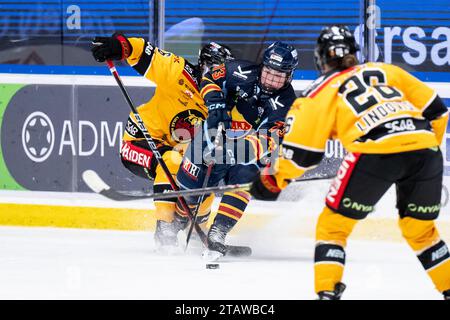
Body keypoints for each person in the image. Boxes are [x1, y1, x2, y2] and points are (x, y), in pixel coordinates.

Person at [250, 25, 450, 300]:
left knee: (332, 227)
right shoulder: (386, 71)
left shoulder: (319, 92)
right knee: (421, 231)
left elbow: (303, 154)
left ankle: (327, 293)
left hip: (374, 152)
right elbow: (438, 112)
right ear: (354, 53)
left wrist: (273, 181)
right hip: (426, 151)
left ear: (320, 58)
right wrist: (419, 151)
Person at [91, 34, 234, 252]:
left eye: (219, 71)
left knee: (203, 170)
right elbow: (147, 53)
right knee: (172, 160)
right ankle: (165, 228)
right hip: (139, 142)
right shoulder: (178, 71)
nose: (213, 76)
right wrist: (120, 46)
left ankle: (198, 227)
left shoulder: (224, 101)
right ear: (200, 65)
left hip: (178, 148)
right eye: (209, 68)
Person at [176, 41, 298, 260]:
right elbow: (210, 76)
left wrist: (234, 151)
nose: (271, 80)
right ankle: (180, 221)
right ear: (262, 66)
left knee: (247, 176)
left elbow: (269, 139)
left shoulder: (288, 103)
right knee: (191, 178)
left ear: (289, 76)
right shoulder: (239, 70)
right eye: (269, 72)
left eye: (279, 76)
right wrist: (214, 104)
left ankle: (218, 231)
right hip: (215, 136)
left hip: (245, 150)